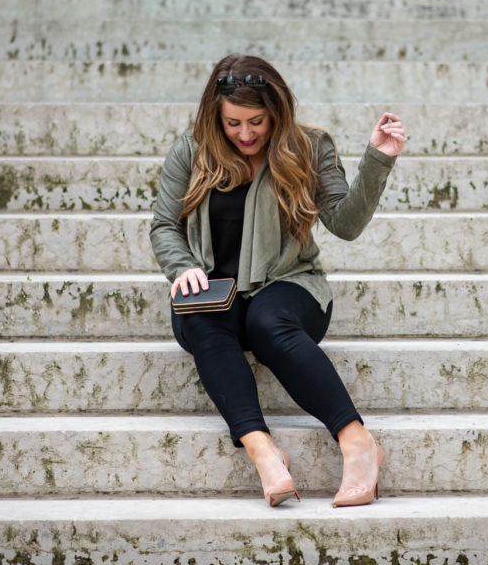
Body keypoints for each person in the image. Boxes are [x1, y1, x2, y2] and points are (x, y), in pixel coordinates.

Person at [149, 54, 406, 507]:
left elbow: (344, 224)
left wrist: (377, 161)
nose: (245, 134)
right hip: (214, 287)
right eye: (232, 123)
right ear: (215, 115)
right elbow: (164, 226)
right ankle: (262, 450)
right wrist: (183, 266)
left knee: (267, 322)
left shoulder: (309, 147)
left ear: (277, 112)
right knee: (204, 322)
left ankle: (359, 443)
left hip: (290, 284)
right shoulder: (191, 151)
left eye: (257, 121)